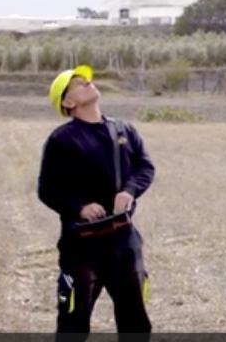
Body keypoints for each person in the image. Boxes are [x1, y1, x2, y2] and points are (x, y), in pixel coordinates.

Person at [37, 66, 156, 335]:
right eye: (78, 83)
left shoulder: (124, 130)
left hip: (124, 241)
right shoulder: (61, 140)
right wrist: (79, 208)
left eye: (87, 79)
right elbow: (47, 189)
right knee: (73, 323)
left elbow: (145, 167)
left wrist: (129, 191)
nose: (87, 82)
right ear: (69, 102)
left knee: (135, 321)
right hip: (81, 246)